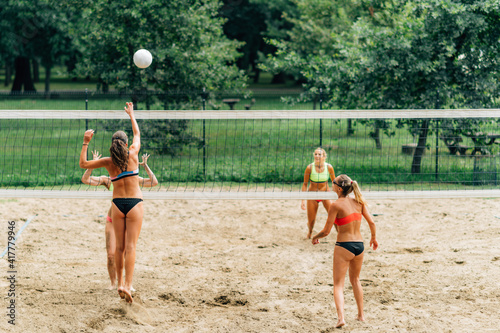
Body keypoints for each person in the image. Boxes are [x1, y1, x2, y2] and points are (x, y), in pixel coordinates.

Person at [80, 102, 143, 303]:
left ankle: (118, 284)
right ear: (125, 144)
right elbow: (137, 134)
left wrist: (85, 142)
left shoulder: (108, 162)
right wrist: (131, 114)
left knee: (119, 248)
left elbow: (83, 164)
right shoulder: (133, 154)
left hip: (117, 205)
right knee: (131, 247)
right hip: (134, 204)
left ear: (113, 144)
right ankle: (127, 285)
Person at [81, 150, 158, 291]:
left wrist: (145, 166)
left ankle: (127, 283)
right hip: (112, 219)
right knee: (111, 255)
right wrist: (92, 165)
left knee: (127, 250)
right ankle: (114, 283)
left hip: (128, 216)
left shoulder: (132, 178)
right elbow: (86, 180)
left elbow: (153, 182)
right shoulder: (109, 179)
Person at [312, 174, 378, 328]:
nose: (331, 184)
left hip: (344, 246)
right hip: (359, 246)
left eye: (333, 183)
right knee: (355, 280)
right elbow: (372, 222)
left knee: (338, 285)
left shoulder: (336, 205)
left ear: (339, 188)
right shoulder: (358, 202)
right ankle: (361, 315)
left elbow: (327, 231)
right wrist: (373, 238)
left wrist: (315, 237)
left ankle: (341, 318)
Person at [301, 147, 336, 238]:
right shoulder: (309, 168)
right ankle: (310, 232)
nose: (317, 156)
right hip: (312, 195)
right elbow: (305, 184)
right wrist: (302, 200)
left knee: (333, 215)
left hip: (325, 194)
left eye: (319, 154)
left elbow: (334, 182)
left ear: (324, 156)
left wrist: (339, 196)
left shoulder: (329, 167)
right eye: (315, 154)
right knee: (311, 220)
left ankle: (340, 233)